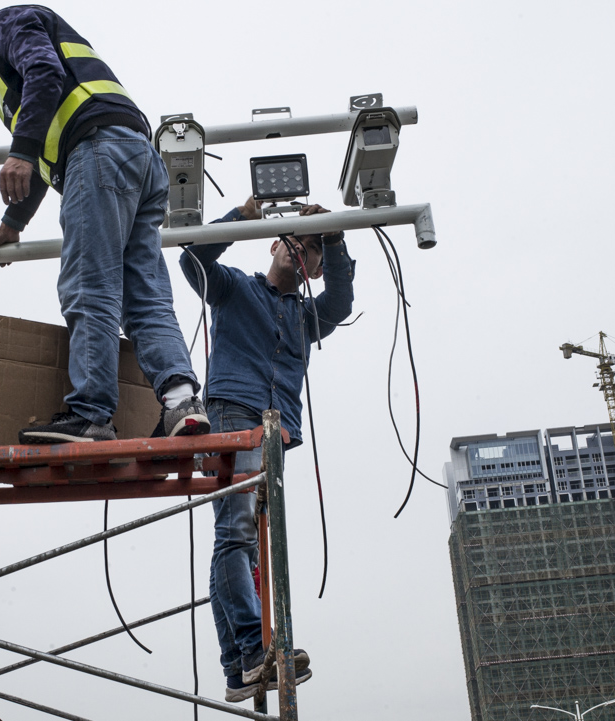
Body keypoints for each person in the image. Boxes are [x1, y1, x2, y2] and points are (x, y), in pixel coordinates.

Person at [0, 6, 208, 443]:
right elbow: (47, 158)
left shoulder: (9, 23)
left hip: (98, 152)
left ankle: (91, 414)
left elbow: (44, 72)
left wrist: (20, 152)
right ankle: (182, 402)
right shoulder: (7, 87)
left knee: (90, 286)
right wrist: (14, 221)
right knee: (144, 295)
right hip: (136, 158)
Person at [179, 197, 356, 701]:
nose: (303, 247)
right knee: (236, 530)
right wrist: (243, 216)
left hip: (275, 430)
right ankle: (257, 649)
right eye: (297, 238)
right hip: (235, 412)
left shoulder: (308, 315)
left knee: (238, 537)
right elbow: (193, 259)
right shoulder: (235, 288)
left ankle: (240, 667)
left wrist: (335, 236)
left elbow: (340, 303)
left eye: (313, 248)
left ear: (317, 269)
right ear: (276, 243)